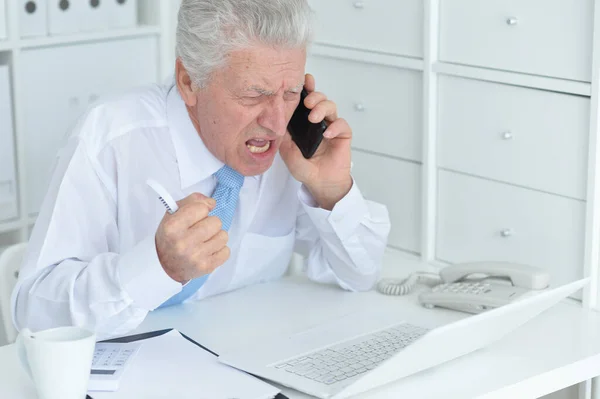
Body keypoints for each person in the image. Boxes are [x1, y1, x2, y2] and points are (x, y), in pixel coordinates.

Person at [11, 0, 391, 339]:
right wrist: (154, 268)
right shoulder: (111, 138)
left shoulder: (293, 148)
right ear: (189, 81)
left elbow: (359, 275)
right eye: (253, 94)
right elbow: (33, 312)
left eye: (291, 92)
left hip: (248, 363)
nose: (276, 123)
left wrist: (333, 192)